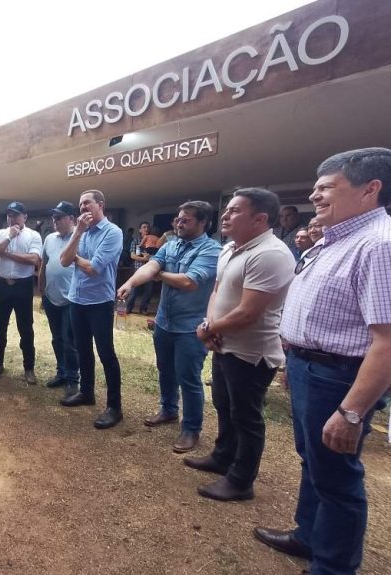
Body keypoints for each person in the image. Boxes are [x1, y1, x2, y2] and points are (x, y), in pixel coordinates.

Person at [254, 148, 391, 575]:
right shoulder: (337, 238)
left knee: (336, 475)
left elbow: (386, 341)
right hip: (308, 366)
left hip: (339, 375)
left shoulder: (379, 244)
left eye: (326, 187)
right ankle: (308, 535)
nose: (314, 195)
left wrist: (351, 412)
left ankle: (332, 567)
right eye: (315, 187)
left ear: (371, 190)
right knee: (313, 459)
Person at [188, 188, 294, 501]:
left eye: (234, 211)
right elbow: (217, 292)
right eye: (228, 210)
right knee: (223, 404)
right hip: (222, 343)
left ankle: (241, 480)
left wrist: (210, 329)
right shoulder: (231, 248)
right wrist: (210, 327)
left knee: (246, 417)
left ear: (260, 219)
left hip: (251, 352)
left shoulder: (270, 254)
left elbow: (249, 312)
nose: (225, 215)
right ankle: (223, 457)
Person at [117, 201, 221, 453]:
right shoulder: (172, 244)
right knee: (165, 370)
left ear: (203, 223)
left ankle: (191, 428)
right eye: (178, 218)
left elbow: (189, 282)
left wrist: (158, 275)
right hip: (164, 322)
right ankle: (168, 410)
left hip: (190, 327)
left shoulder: (212, 249)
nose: (179, 223)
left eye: (186, 220)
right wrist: (131, 283)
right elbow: (152, 265)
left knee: (189, 378)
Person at [59, 190, 124, 429]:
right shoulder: (81, 232)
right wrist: (77, 232)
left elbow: (94, 268)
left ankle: (115, 407)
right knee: (82, 350)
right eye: (80, 204)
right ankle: (86, 393)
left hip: (99, 302)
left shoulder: (113, 232)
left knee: (106, 354)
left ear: (101, 205)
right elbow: (64, 260)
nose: (83, 207)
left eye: (87, 203)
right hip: (77, 300)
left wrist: (76, 258)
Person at [0, 201, 42, 384]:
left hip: (23, 286)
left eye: (16, 215)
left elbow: (34, 259)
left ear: (25, 217)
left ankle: (29, 368)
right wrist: (9, 238)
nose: (12, 218)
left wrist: (7, 254)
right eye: (9, 215)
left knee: (26, 329)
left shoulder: (33, 235)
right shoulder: (0, 234)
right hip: (2, 284)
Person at [38, 201, 80, 397]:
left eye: (59, 217)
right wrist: (41, 288)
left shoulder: (81, 238)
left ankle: (73, 379)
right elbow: (44, 264)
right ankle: (61, 372)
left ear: (71, 219)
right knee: (57, 339)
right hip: (51, 297)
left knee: (70, 342)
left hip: (71, 300)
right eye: (54, 217)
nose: (55, 220)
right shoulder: (50, 239)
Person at [126, 221, 160, 314]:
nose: (147, 229)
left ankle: (143, 308)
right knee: (134, 290)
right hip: (138, 269)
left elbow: (158, 253)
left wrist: (151, 258)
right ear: (140, 230)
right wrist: (143, 258)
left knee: (148, 291)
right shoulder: (136, 241)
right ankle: (128, 308)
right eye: (144, 227)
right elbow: (132, 256)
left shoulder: (153, 240)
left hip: (150, 269)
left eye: (148, 227)